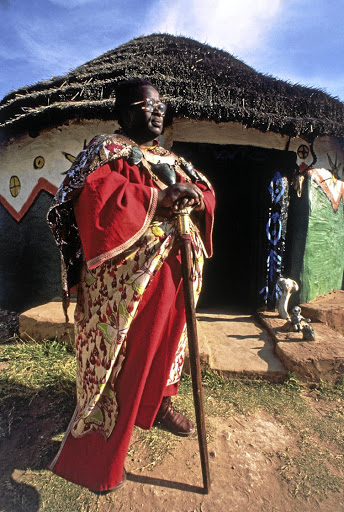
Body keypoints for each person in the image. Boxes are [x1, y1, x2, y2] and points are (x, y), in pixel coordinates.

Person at [47, 78, 215, 493]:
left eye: (161, 105)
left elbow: (207, 193)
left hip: (176, 270)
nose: (157, 111)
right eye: (145, 105)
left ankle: (158, 403)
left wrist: (194, 193)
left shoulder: (174, 159)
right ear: (123, 114)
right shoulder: (105, 149)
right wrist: (156, 201)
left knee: (166, 344)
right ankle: (102, 456)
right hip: (127, 284)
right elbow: (93, 199)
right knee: (127, 354)